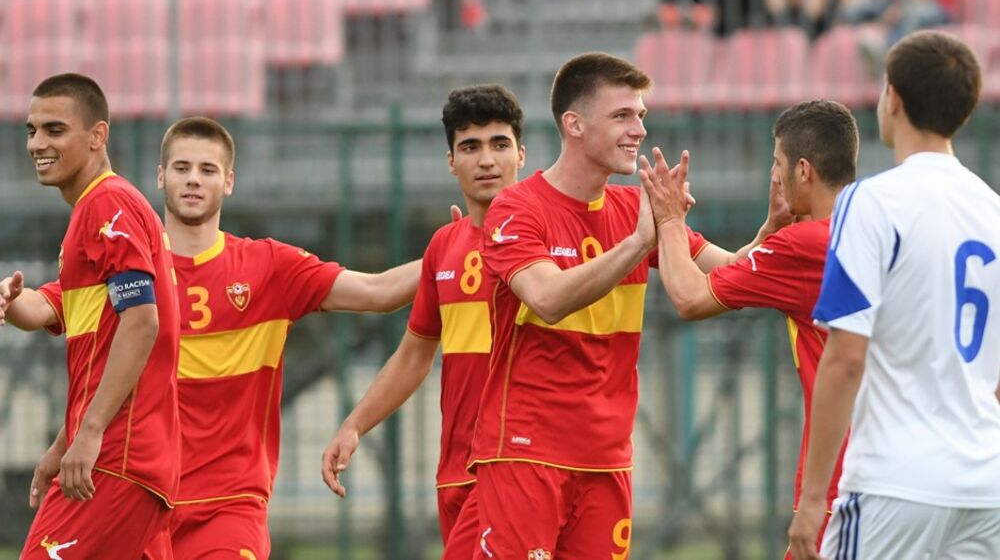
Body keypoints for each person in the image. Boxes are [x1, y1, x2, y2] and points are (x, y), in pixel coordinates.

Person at [3, 116, 422, 558]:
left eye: (207, 170)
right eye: (181, 168)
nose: (193, 180)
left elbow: (379, 291)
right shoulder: (129, 268)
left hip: (228, 508)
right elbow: (41, 307)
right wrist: (8, 298)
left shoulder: (270, 267)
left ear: (229, 182)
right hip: (140, 499)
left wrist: (455, 248)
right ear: (161, 177)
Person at [467, 52, 786, 558]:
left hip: (607, 459)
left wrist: (770, 233)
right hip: (527, 452)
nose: (638, 129)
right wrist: (640, 243)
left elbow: (725, 270)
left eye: (640, 115)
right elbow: (547, 298)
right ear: (574, 124)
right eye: (621, 116)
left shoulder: (632, 209)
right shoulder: (516, 207)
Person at [787, 31, 1000, 559]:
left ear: (894, 99)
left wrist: (813, 501)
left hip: (895, 482)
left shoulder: (871, 202)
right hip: (985, 485)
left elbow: (845, 358)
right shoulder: (993, 210)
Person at [638, 99, 860, 559]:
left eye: (777, 163)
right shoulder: (873, 226)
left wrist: (670, 220)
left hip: (844, 477)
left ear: (803, 170)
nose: (773, 176)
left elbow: (690, 297)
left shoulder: (805, 244)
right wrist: (768, 235)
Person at [322, 85, 525, 557]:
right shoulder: (444, 246)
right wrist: (354, 425)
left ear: (522, 154)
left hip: (517, 461)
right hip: (456, 469)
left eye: (500, 144)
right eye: (470, 147)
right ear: (451, 162)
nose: (486, 160)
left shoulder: (548, 234)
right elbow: (414, 356)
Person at [0, 73, 180, 558]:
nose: (37, 143)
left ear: (98, 135)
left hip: (115, 459)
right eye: (31, 130)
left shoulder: (107, 204)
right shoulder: (96, 212)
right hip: (129, 459)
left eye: (55, 130)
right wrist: (65, 443)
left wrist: (91, 433)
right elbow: (51, 310)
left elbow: (141, 322)